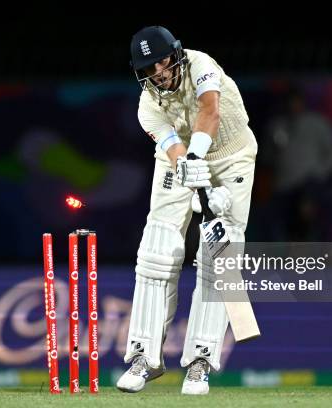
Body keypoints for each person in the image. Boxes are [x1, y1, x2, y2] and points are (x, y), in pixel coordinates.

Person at [116, 26, 258, 395]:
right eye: (149, 68)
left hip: (232, 159)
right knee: (156, 253)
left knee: (218, 259)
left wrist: (208, 177)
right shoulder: (148, 107)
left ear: (175, 53)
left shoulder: (202, 65)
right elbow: (174, 151)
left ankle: (200, 362)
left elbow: (210, 112)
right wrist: (195, 175)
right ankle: (144, 359)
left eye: (162, 61)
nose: (159, 72)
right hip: (178, 163)